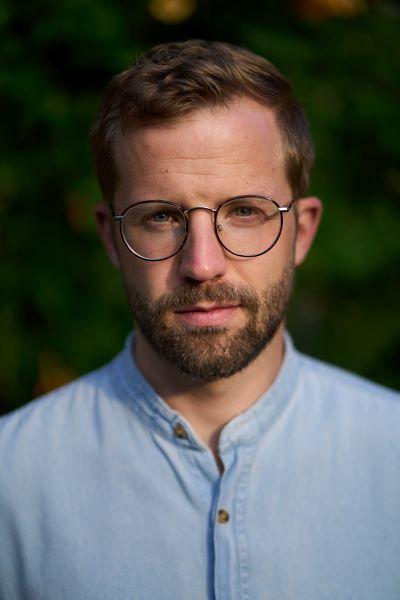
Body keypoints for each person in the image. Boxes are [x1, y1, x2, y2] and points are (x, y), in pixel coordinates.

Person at [0, 39, 399, 600]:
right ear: (110, 237)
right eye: (161, 217)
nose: (203, 265)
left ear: (302, 231)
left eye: (245, 211)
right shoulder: (12, 481)